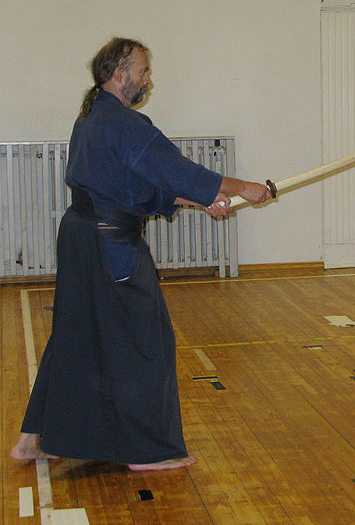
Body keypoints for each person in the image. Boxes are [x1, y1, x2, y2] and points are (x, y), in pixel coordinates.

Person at [10, 37, 271, 470]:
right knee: (144, 339)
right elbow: (176, 171)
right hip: (110, 243)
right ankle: (149, 451)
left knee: (76, 333)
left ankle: (33, 438)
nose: (148, 80)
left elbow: (137, 184)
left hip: (81, 235)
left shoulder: (93, 117)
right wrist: (241, 186)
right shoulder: (123, 124)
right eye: (143, 72)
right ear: (119, 74)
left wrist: (199, 201)